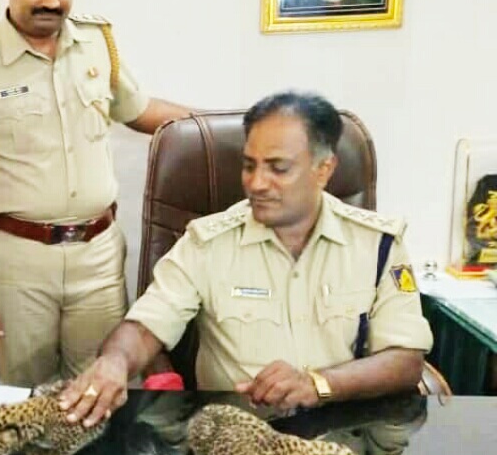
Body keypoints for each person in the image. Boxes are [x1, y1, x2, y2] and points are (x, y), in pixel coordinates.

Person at [59, 92, 433, 426]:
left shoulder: (379, 245)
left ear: (324, 169)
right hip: (232, 440)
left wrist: (318, 384)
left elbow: (404, 360)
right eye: (249, 165)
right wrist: (115, 362)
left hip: (340, 437)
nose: (256, 182)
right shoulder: (207, 242)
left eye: (278, 168)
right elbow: (143, 330)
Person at [0, 0, 190, 388]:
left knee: (101, 393)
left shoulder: (97, 44)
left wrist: (219, 126)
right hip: (16, 266)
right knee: (30, 405)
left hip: (97, 258)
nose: (52, 1)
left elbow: (139, 110)